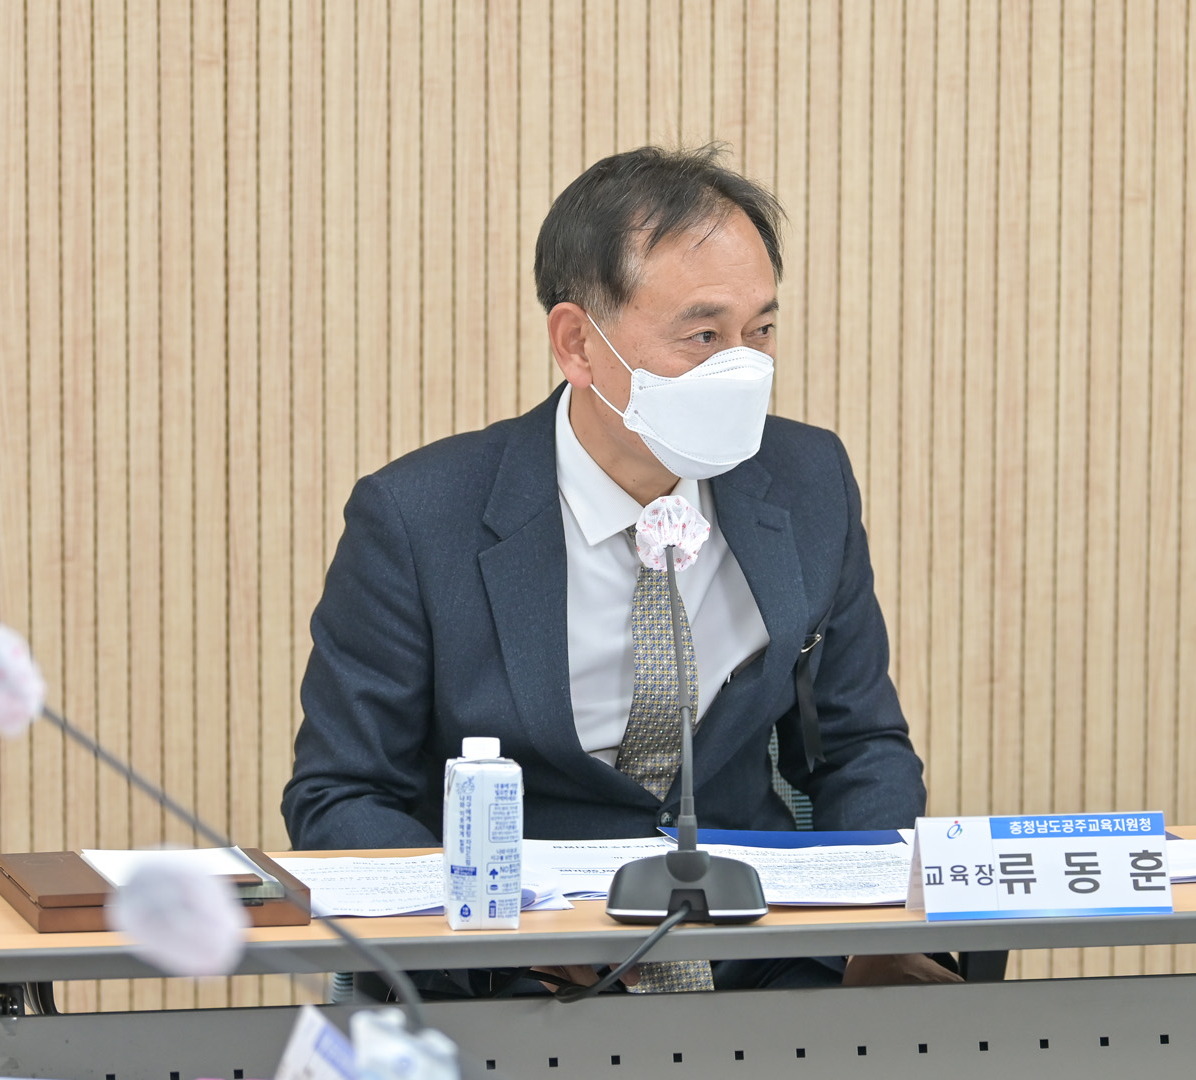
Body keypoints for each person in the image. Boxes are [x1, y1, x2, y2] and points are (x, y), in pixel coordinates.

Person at [282, 145, 954, 991]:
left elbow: (861, 747)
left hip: (764, 959)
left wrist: (875, 934)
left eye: (760, 332)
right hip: (518, 974)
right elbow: (341, 796)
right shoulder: (419, 519)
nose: (743, 368)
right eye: (703, 336)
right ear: (578, 344)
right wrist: (491, 938)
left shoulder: (808, 481)